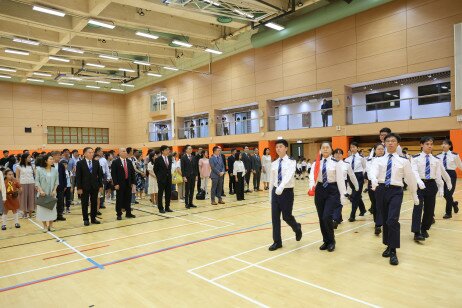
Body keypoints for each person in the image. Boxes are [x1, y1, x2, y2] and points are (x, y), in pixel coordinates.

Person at [369, 133, 419, 266]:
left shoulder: (404, 161)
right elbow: (372, 172)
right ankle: (388, 245)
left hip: (396, 191)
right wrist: (373, 179)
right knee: (386, 220)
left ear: (397, 144)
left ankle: (393, 251)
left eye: (393, 141)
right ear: (384, 143)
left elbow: (410, 178)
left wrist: (414, 194)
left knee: (392, 220)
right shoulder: (377, 160)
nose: (390, 143)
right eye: (388, 141)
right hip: (381, 190)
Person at [411, 136, 452, 241]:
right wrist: (419, 182)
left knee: (429, 209)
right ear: (421, 145)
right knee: (418, 208)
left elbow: (438, 175)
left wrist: (441, 187)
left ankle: (424, 229)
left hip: (431, 185)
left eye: (431, 144)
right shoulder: (415, 158)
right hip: (419, 185)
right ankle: (416, 232)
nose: (429, 146)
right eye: (427, 144)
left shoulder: (436, 160)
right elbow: (414, 171)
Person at [309, 142, 347, 252]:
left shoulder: (336, 163)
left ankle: (332, 241)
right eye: (323, 148)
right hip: (320, 189)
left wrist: (343, 196)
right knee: (321, 217)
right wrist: (311, 186)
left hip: (332, 190)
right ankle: (325, 241)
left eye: (327, 147)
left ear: (331, 150)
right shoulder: (316, 163)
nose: (325, 149)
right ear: (320, 150)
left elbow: (340, 180)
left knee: (327, 216)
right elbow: (312, 176)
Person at [268, 139, 302, 251]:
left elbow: (288, 175)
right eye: (277, 147)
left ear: (286, 148)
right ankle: (277, 242)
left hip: (286, 192)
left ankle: (297, 227)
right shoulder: (274, 163)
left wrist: (281, 186)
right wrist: (270, 196)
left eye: (281, 146)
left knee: (286, 217)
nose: (278, 148)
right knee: (275, 218)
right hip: (275, 192)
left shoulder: (291, 162)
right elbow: (272, 180)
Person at [75, 147, 103, 226]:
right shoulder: (80, 163)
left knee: (94, 203)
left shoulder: (96, 162)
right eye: (89, 152)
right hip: (84, 187)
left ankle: (93, 218)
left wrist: (100, 185)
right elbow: (78, 176)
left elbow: (100, 175)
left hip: (94, 186)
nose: (91, 154)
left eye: (92, 152)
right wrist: (79, 188)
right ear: (84, 154)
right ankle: (85, 219)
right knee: (84, 203)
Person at [332, 148, 358, 229]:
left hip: (342, 185)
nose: (338, 155)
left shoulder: (346, 164)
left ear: (342, 155)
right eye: (336, 153)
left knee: (340, 202)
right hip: (332, 185)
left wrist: (356, 185)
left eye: (340, 153)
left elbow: (352, 175)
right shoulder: (330, 163)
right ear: (333, 154)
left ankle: (335, 220)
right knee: (333, 202)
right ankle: (339, 218)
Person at [436, 139, 462, 219]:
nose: (443, 145)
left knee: (448, 193)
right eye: (442, 144)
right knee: (444, 193)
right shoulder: (438, 156)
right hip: (441, 175)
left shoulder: (455, 155)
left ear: (450, 146)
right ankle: (454, 204)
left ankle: (448, 213)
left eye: (446, 144)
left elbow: (460, 165)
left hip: (451, 175)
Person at [111, 148, 137, 220]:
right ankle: (119, 214)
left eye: (125, 151)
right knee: (119, 199)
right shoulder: (115, 162)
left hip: (128, 183)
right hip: (119, 184)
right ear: (119, 153)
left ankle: (128, 213)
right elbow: (113, 174)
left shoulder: (129, 161)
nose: (125, 152)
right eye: (123, 151)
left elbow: (132, 173)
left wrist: (133, 182)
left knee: (128, 198)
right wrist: (116, 184)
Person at [35, 154, 59, 232]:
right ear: (45, 161)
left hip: (52, 193)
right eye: (50, 159)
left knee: (52, 210)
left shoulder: (55, 170)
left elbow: (56, 181)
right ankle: (45, 226)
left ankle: (51, 225)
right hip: (42, 193)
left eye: (52, 159)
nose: (52, 160)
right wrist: (41, 190)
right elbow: (37, 181)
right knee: (42, 210)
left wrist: (54, 190)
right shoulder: (39, 170)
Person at [344, 141, 367, 222]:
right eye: (351, 147)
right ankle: (363, 209)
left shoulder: (361, 158)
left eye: (354, 147)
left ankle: (352, 215)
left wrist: (364, 177)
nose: (352, 149)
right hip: (350, 177)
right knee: (356, 195)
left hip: (359, 176)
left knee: (355, 195)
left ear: (357, 148)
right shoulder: (347, 159)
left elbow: (365, 167)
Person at [366, 143, 385, 235]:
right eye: (379, 149)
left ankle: (378, 224)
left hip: (382, 184)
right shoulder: (370, 160)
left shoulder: (386, 160)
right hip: (372, 183)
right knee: (374, 204)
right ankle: (376, 222)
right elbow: (369, 173)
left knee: (380, 204)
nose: (381, 151)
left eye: (382, 149)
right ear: (375, 150)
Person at [154, 145, 173, 213]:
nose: (168, 151)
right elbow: (155, 169)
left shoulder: (170, 158)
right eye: (167, 150)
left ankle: (167, 207)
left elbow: (169, 169)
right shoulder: (158, 159)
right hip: (161, 179)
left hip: (169, 179)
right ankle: (160, 208)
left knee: (168, 193)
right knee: (160, 193)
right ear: (163, 151)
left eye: (168, 150)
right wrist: (159, 177)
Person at [16, 153, 35, 218]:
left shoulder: (32, 166)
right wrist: (18, 186)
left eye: (30, 157)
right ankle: (24, 213)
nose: (30, 159)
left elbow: (35, 175)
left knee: (31, 198)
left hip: (31, 183)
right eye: (29, 157)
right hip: (22, 184)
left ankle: (30, 213)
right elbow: (17, 177)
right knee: (23, 198)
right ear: (25, 158)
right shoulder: (18, 166)